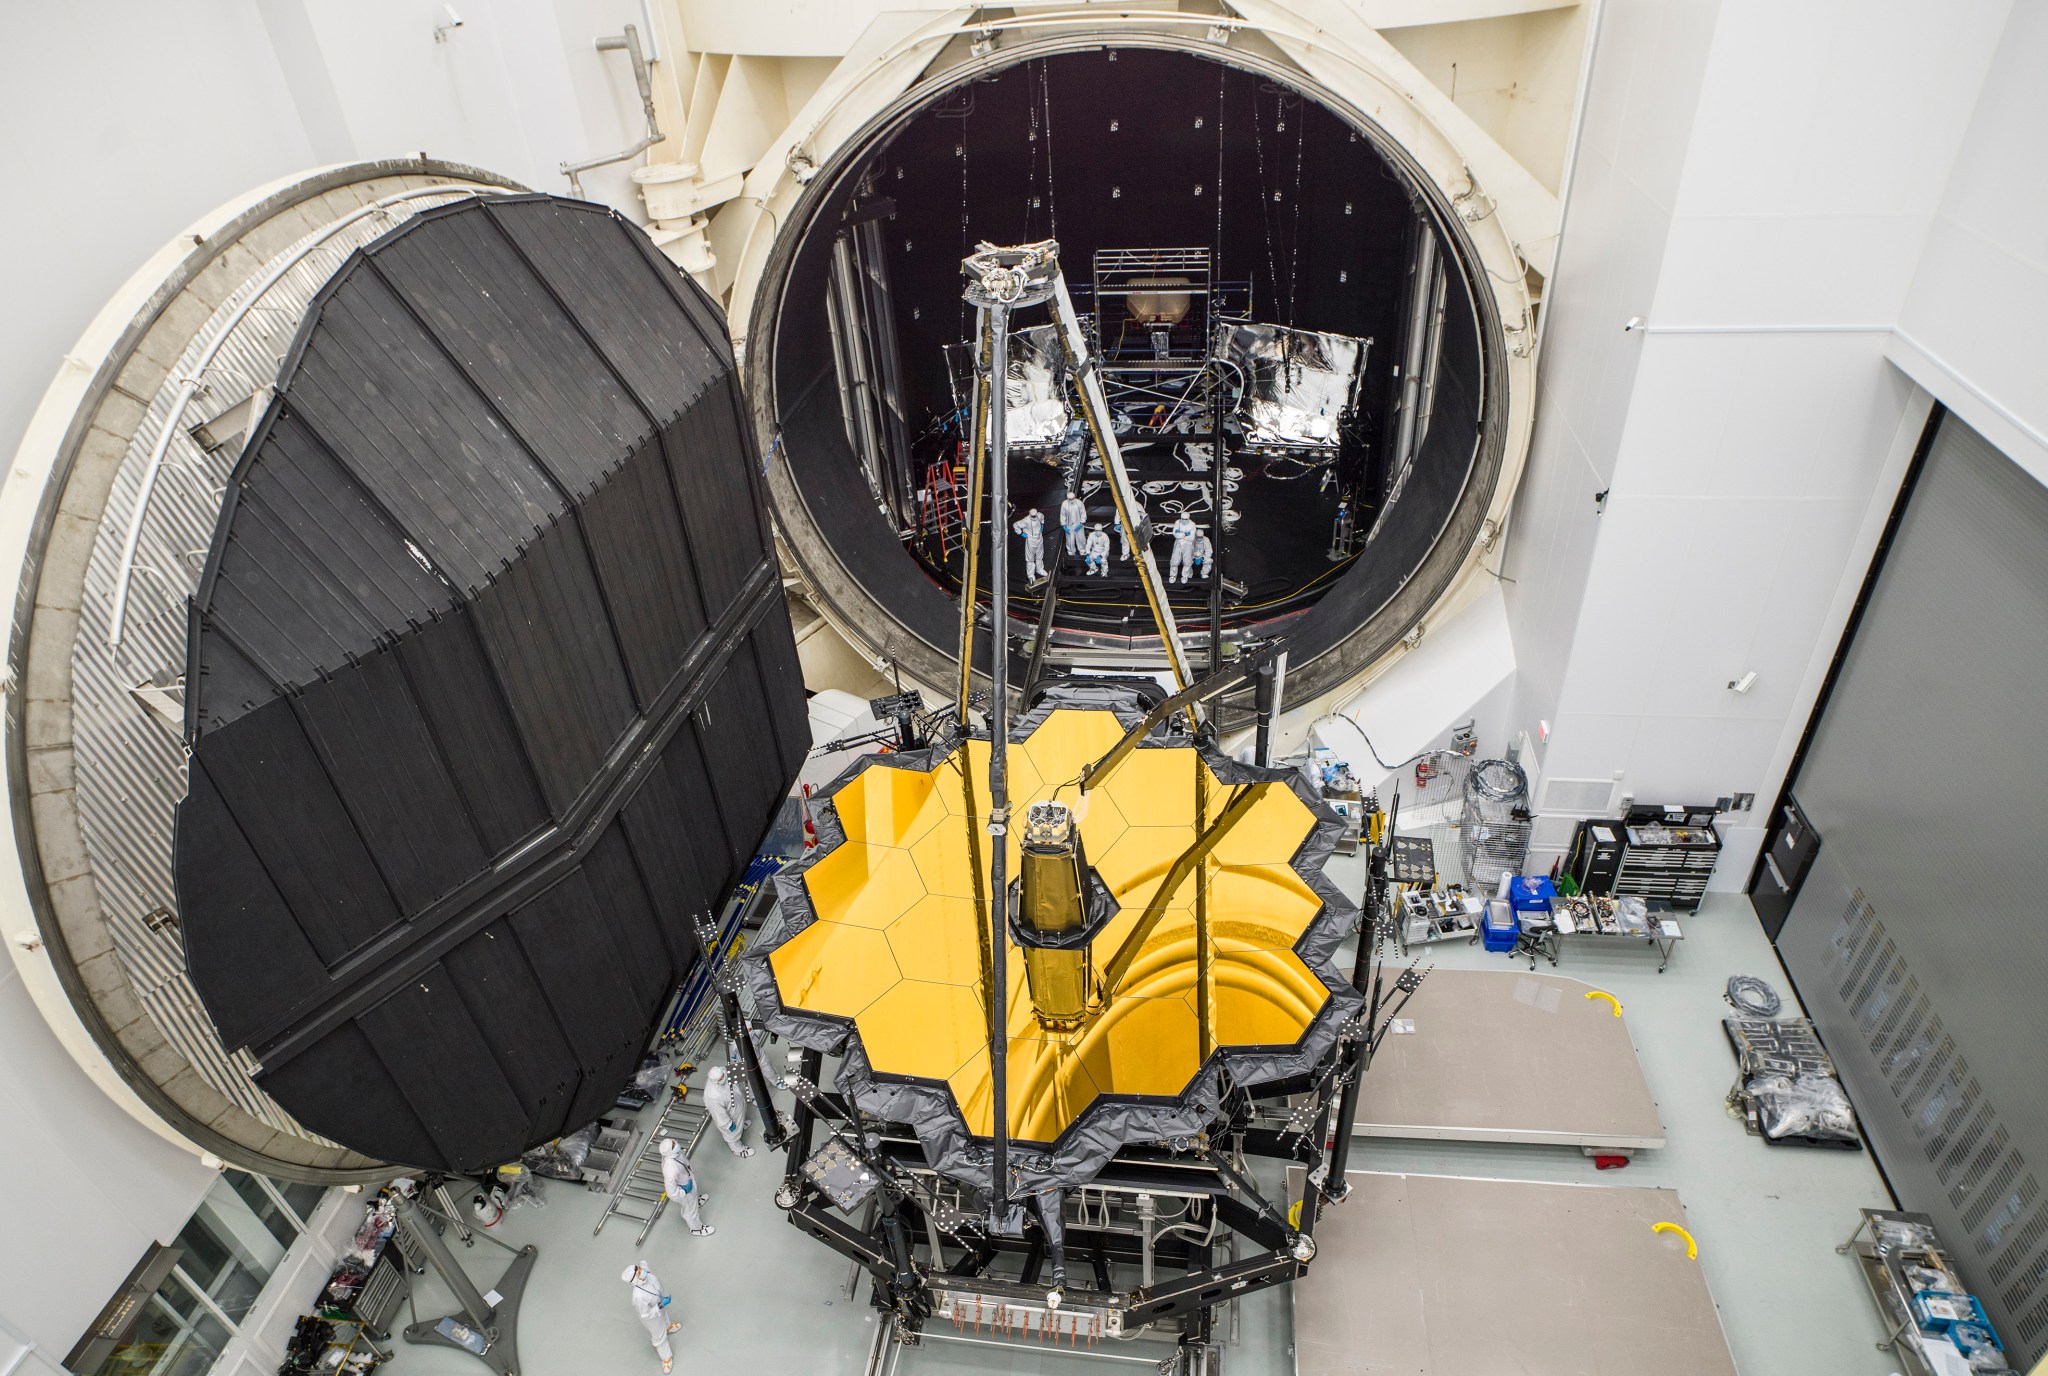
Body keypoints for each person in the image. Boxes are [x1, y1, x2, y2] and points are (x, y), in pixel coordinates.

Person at [623, 1260, 680, 1374]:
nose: (642, 1271)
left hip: (660, 1307)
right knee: (659, 1337)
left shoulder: (645, 1275)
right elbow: (646, 1314)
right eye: (639, 1272)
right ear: (635, 1279)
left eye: (639, 1268)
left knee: (664, 1316)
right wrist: (660, 1305)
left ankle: (668, 1327)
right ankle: (666, 1358)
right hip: (652, 1318)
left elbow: (643, 1263)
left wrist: (641, 1265)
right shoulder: (638, 1296)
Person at [658, 1137, 712, 1237]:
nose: (676, 1144)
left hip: (687, 1179)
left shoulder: (674, 1154)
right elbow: (671, 1192)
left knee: (693, 1199)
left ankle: (696, 1201)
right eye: (673, 1145)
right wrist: (684, 1191)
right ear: (669, 1151)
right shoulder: (670, 1169)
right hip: (683, 1189)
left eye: (673, 1142)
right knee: (690, 1211)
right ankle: (696, 1228)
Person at [704, 1064, 753, 1158]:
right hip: (730, 1115)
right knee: (732, 1135)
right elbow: (719, 1115)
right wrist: (729, 1125)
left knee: (740, 1117)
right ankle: (737, 1149)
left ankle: (741, 1125)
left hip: (736, 1103)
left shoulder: (722, 1070)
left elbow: (734, 1071)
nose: (723, 1078)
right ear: (714, 1081)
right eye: (720, 1079)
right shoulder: (712, 1096)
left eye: (723, 1076)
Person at [1013, 507, 1048, 582]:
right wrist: (1021, 533)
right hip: (1031, 541)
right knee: (1030, 558)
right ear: (1030, 515)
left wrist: (1042, 525)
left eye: (1035, 516)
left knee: (1040, 555)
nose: (1034, 517)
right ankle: (1031, 574)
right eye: (1033, 516)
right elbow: (1015, 525)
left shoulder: (1039, 515)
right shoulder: (1026, 520)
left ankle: (1040, 569)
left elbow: (1042, 518)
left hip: (1039, 539)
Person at [1167, 514, 1199, 583]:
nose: (1184, 520)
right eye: (1183, 519)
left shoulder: (1192, 524)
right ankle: (1173, 575)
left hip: (1188, 544)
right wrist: (1185, 534)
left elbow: (1192, 537)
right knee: (1174, 559)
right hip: (1178, 543)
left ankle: (1185, 576)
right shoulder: (1177, 522)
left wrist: (1182, 535)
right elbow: (1175, 533)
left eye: (1186, 519)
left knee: (1187, 560)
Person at [1058, 490, 1087, 557]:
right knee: (1070, 540)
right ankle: (1071, 553)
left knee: (1081, 538)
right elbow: (1062, 514)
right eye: (1070, 499)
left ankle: (1083, 551)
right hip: (1069, 525)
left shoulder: (1079, 503)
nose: (1071, 500)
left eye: (1072, 498)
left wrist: (1082, 522)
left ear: (1075, 497)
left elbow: (1083, 513)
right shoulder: (1064, 504)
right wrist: (1063, 525)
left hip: (1078, 524)